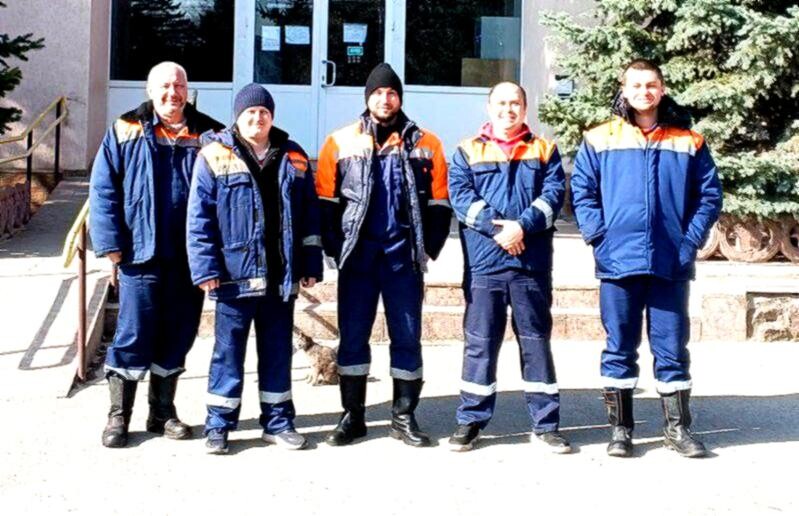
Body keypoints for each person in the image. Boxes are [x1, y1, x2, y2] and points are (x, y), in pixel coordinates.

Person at [571, 59, 722, 458]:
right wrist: (599, 238)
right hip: (617, 261)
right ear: (624, 89)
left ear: (662, 89)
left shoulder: (688, 141)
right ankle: (621, 431)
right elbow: (582, 192)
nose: (644, 92)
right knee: (619, 347)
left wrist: (689, 242)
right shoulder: (599, 138)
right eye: (636, 85)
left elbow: (709, 197)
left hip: (671, 262)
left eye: (651, 85)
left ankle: (677, 429)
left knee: (672, 349)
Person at [315, 63, 451, 447]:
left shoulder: (427, 143)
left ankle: (403, 417)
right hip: (358, 258)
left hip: (402, 258)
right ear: (367, 98)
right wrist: (334, 247)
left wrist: (428, 248)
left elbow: (440, 202)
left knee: (407, 337)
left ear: (400, 98)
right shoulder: (340, 141)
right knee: (353, 338)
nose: (385, 99)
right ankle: (352, 416)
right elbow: (325, 200)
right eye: (377, 92)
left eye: (391, 93)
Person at [90, 61, 223, 448]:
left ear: (188, 90)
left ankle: (162, 413)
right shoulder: (125, 128)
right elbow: (103, 188)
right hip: (140, 254)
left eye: (179, 85)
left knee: (179, 334)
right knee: (133, 334)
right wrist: (110, 244)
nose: (172, 93)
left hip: (191, 257)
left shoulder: (211, 134)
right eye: (164, 86)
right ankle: (119, 416)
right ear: (150, 91)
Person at [187, 83, 323, 454]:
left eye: (264, 112)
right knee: (227, 354)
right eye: (250, 112)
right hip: (234, 276)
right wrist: (205, 268)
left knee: (277, 352)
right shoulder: (214, 154)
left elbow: (309, 215)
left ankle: (278, 423)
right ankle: (219, 426)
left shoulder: (294, 156)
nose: (257, 118)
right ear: (238, 116)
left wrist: (311, 262)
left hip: (280, 276)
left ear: (272, 116)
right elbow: (199, 219)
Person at [447, 82, 570, 453]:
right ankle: (471, 420)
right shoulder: (467, 151)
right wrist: (499, 231)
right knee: (480, 344)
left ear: (525, 108)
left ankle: (546, 424)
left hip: (530, 263)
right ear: (489, 107)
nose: (508, 110)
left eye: (515, 103)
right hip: (485, 263)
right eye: (501, 103)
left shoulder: (544, 149)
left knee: (536, 343)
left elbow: (553, 196)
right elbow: (461, 198)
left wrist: (522, 227)